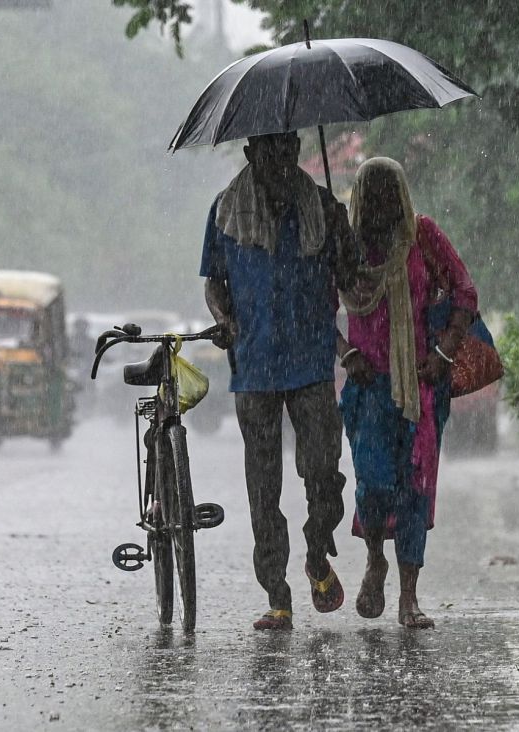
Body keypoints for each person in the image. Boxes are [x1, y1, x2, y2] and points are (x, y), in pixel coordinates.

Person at [201, 131, 358, 631]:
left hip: (311, 362)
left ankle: (316, 552)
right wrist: (224, 320)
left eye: (287, 151)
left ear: (297, 150)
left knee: (324, 472)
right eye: (269, 152)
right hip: (254, 367)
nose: (280, 161)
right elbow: (214, 284)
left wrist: (342, 234)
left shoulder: (323, 208)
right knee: (263, 488)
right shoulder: (226, 212)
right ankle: (277, 593)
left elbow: (350, 277)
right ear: (251, 154)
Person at [337, 157, 478, 629]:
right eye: (372, 194)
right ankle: (375, 558)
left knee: (414, 490)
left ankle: (409, 597)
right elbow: (317, 304)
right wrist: (346, 353)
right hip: (367, 389)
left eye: (389, 194)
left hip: (420, 386)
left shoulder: (422, 236)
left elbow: (464, 292)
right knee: (373, 485)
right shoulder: (345, 245)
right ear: (361, 199)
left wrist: (443, 353)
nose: (382, 205)